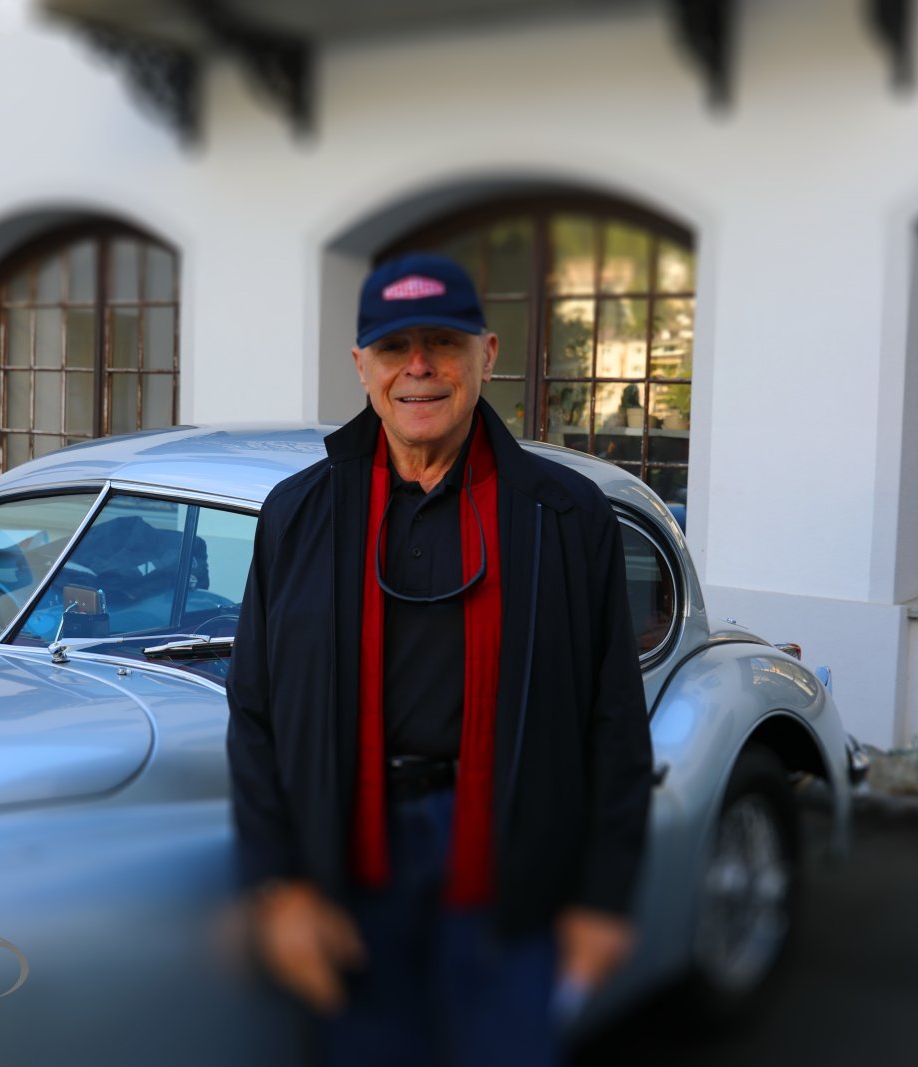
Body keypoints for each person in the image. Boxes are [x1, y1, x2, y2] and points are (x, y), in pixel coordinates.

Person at [225, 252, 653, 1066]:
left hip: (508, 860)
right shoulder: (297, 514)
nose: (418, 366)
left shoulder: (567, 517)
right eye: (394, 347)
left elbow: (615, 722)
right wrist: (276, 884)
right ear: (362, 366)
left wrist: (603, 896)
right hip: (349, 857)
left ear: (486, 355)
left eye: (442, 343)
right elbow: (254, 712)